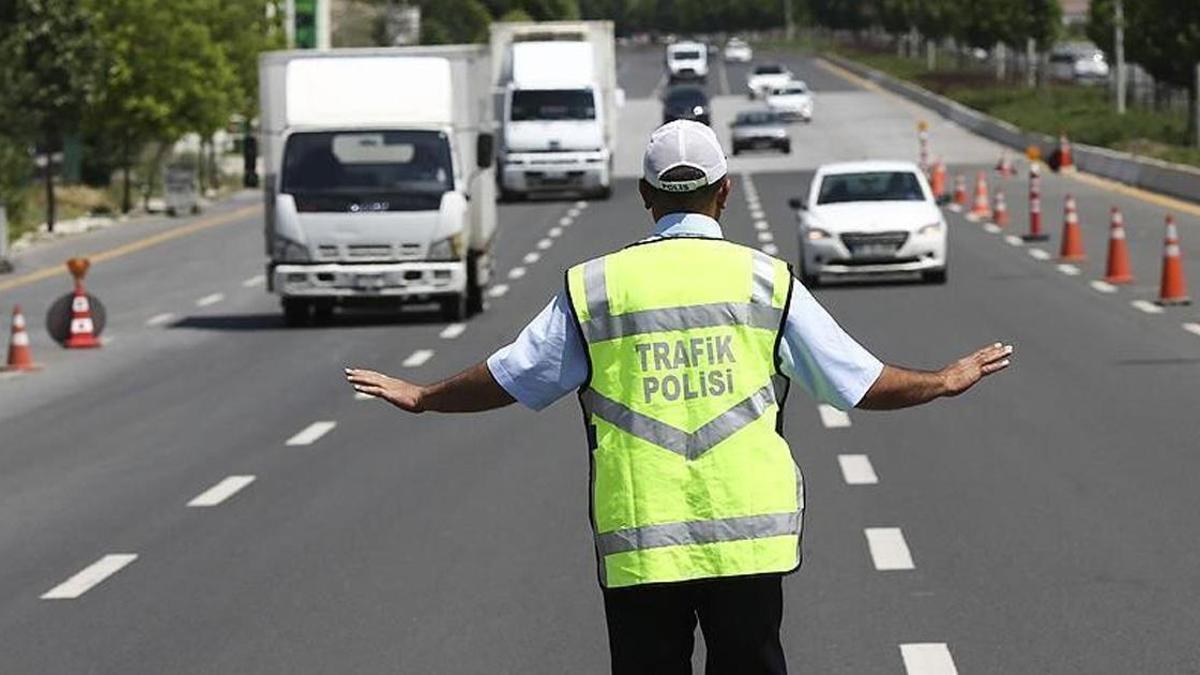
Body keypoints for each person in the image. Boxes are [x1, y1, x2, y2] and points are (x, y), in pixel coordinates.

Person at [345, 120, 1013, 674]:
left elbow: (514, 374)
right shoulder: (764, 281)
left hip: (642, 542)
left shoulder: (597, 287)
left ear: (645, 195)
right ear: (724, 192)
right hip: (749, 541)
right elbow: (857, 380)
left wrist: (425, 394)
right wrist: (942, 380)